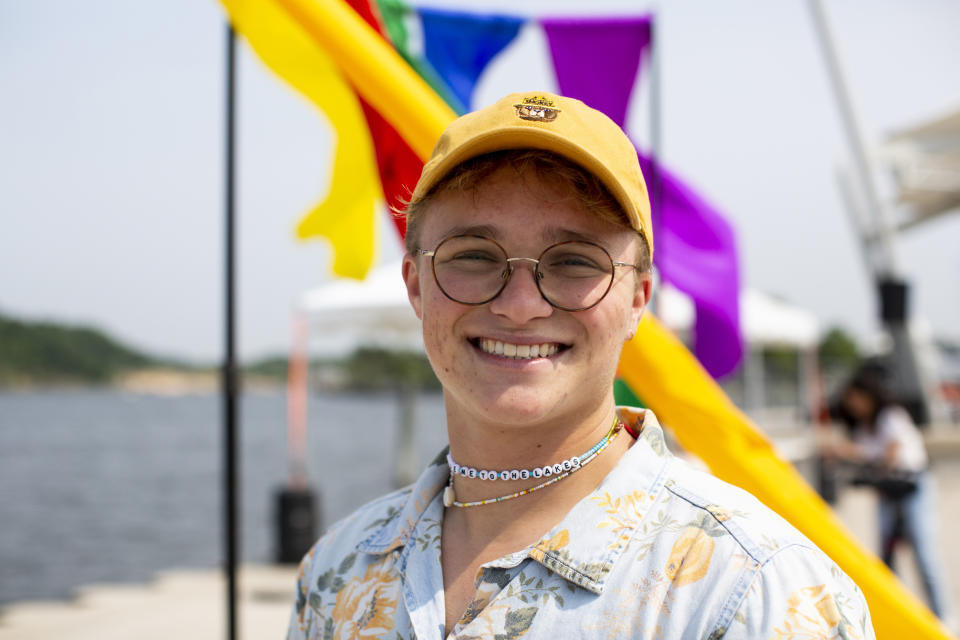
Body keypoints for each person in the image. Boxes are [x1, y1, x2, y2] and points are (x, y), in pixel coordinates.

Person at [287, 92, 874, 639]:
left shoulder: (756, 591)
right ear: (416, 285)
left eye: (573, 261)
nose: (519, 305)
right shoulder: (337, 571)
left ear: (639, 299)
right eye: (473, 255)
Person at [827, 371, 952, 624]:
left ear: (868, 395)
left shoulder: (891, 416)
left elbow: (891, 454)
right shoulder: (864, 426)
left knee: (923, 554)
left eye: (856, 398)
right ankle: (896, 613)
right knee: (886, 557)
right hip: (888, 492)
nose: (853, 405)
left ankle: (942, 618)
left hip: (912, 488)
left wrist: (854, 453)